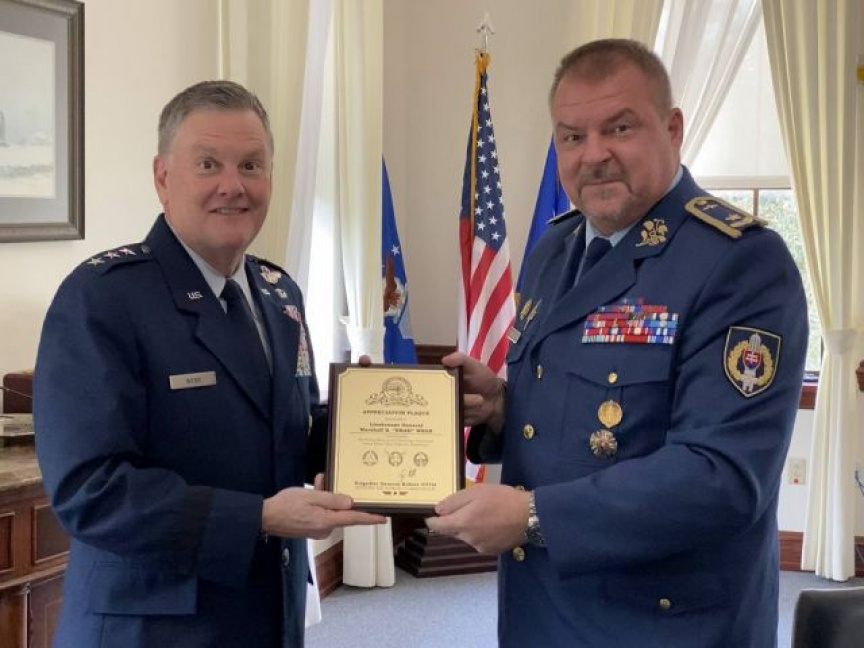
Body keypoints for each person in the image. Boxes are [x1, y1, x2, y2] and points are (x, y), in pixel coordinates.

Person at [427, 39, 808, 647]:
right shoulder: (555, 248)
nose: (594, 154)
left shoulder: (740, 262)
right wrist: (501, 405)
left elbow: (722, 476)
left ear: (673, 128)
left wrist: (532, 515)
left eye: (619, 128)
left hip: (661, 622)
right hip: (542, 606)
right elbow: (580, 410)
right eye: (572, 136)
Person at [34, 80, 384, 648]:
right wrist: (259, 518)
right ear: (162, 177)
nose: (232, 186)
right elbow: (90, 491)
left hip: (267, 612)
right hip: (150, 627)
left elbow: (284, 433)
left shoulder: (280, 294)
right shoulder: (103, 298)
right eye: (207, 164)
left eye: (251, 165)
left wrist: (368, 420)